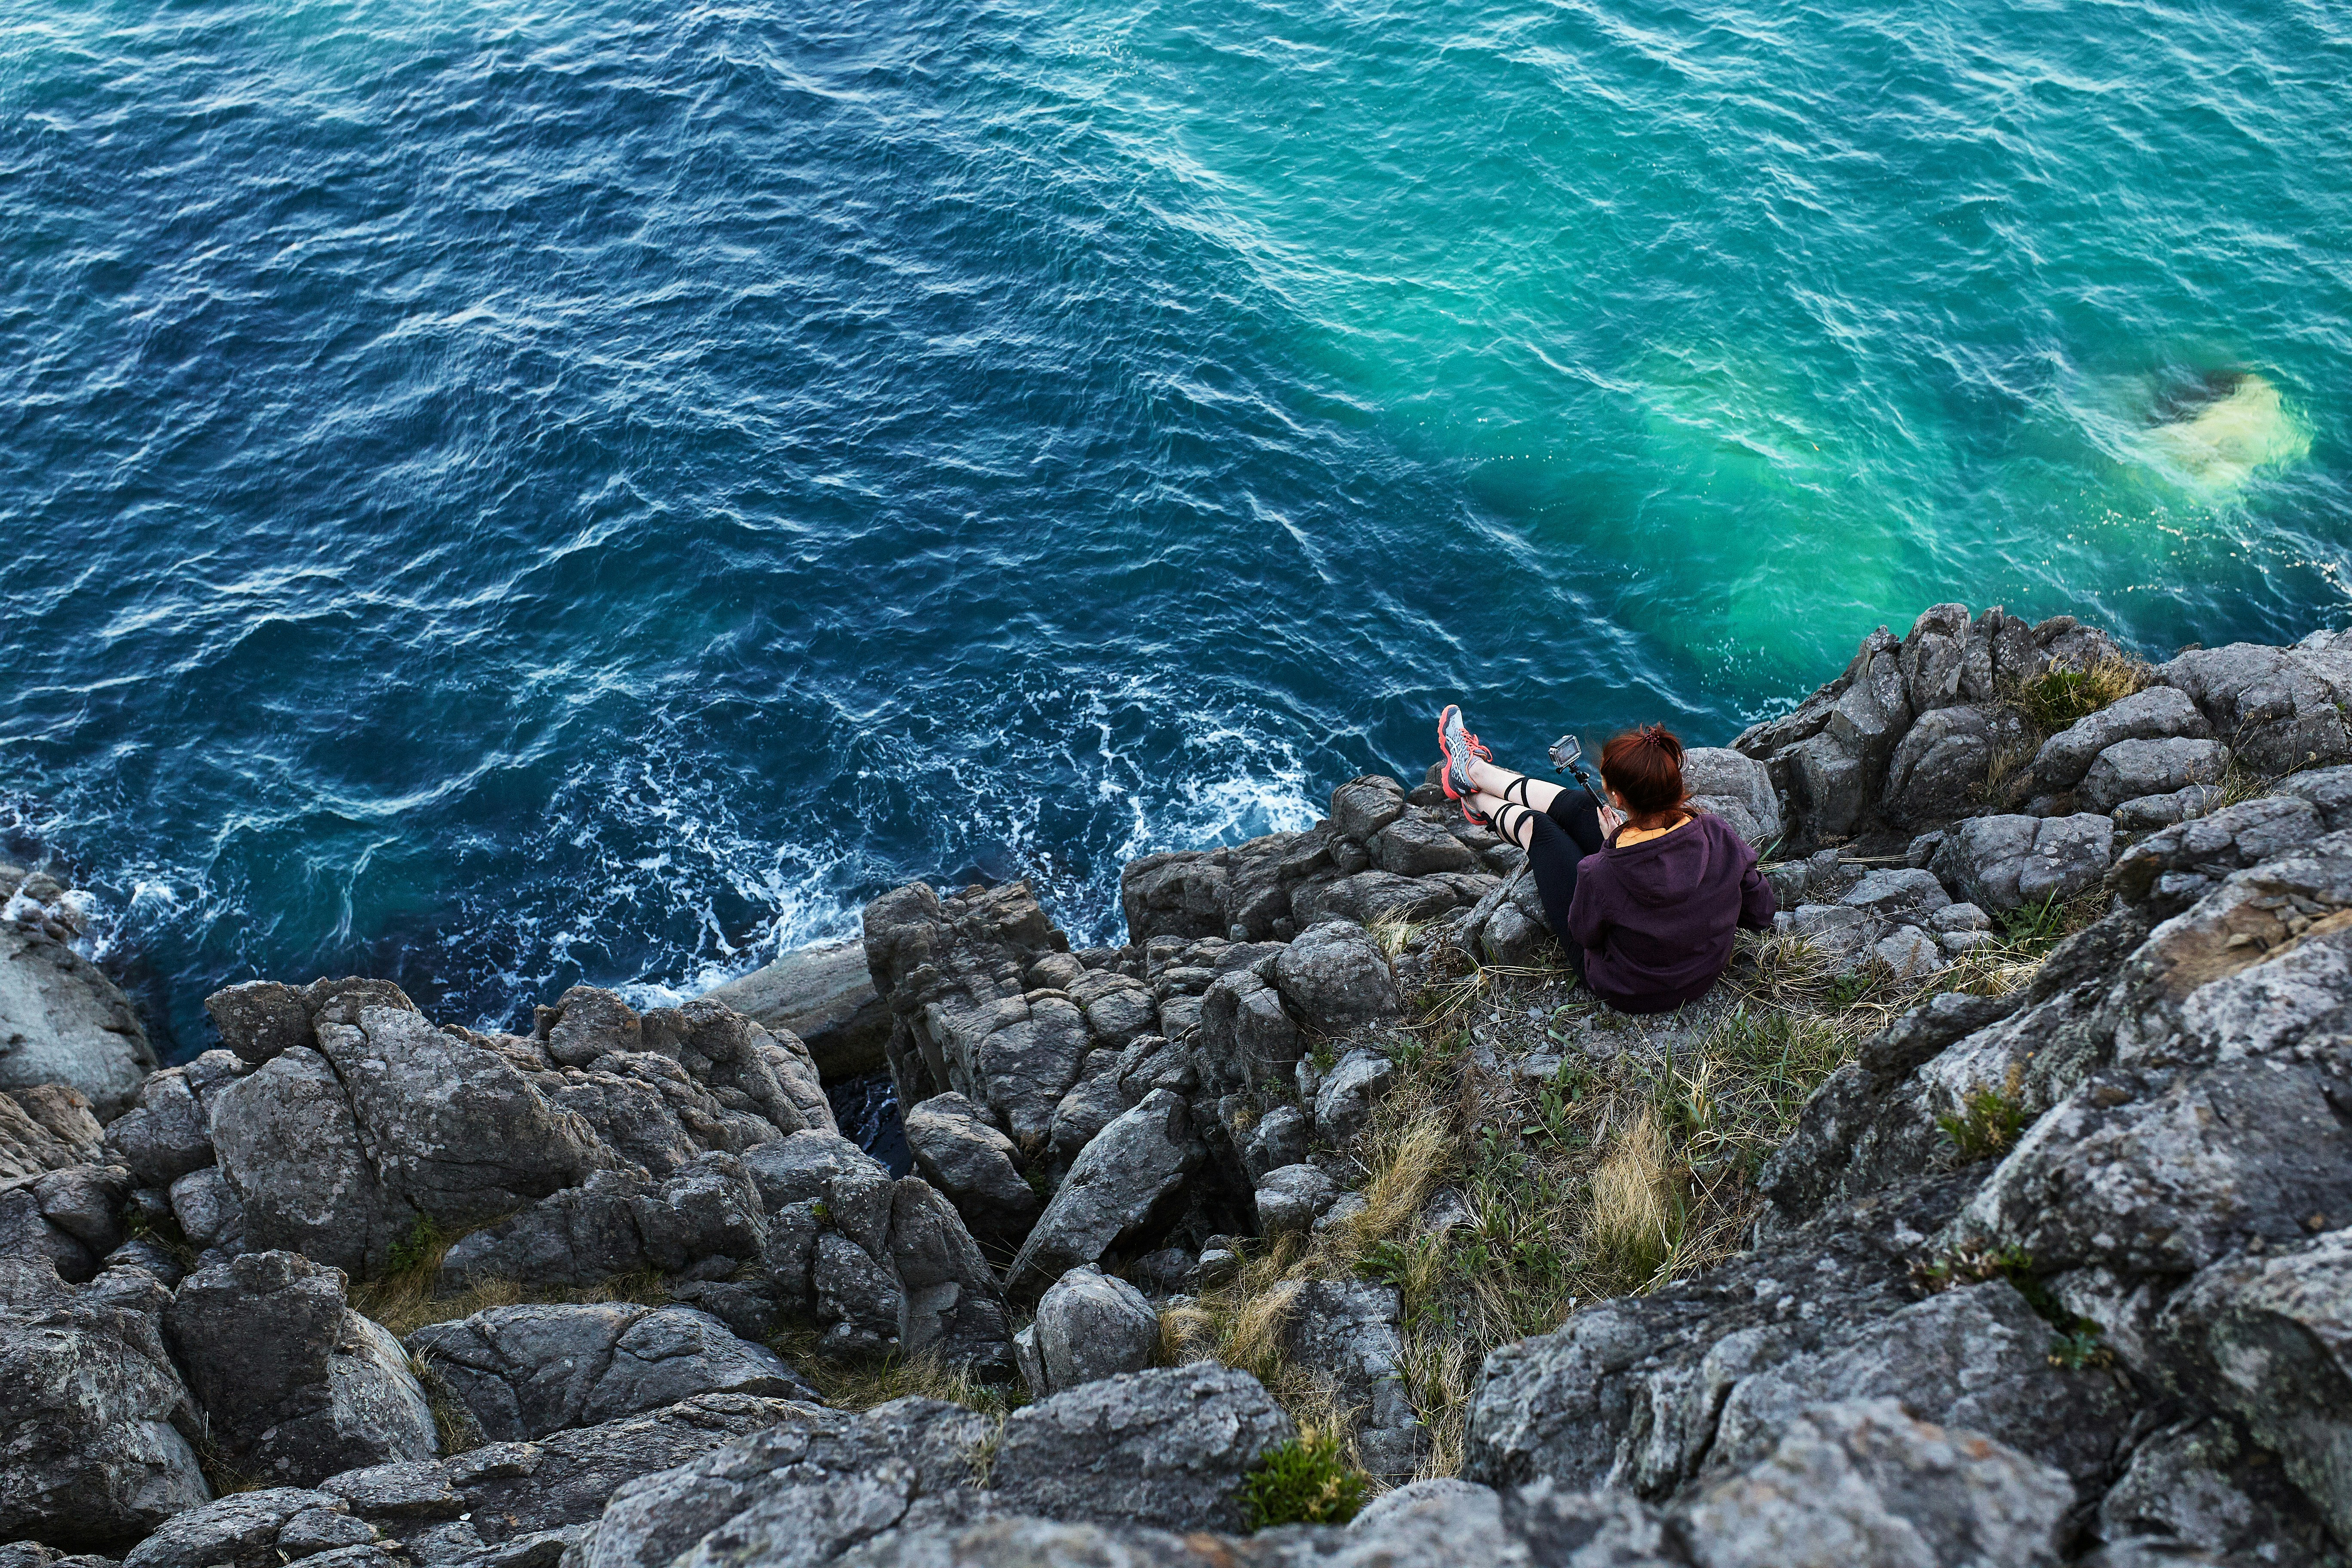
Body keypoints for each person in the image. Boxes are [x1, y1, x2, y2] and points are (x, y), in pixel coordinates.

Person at [1435, 706, 1775, 1013]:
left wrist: (1613, 845)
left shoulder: (1601, 872)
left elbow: (1585, 935)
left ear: (1619, 797)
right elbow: (1761, 912)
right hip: (1704, 972)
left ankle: (1478, 799)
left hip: (1630, 988)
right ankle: (1474, 772)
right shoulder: (1716, 833)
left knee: (1541, 831)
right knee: (1585, 808)